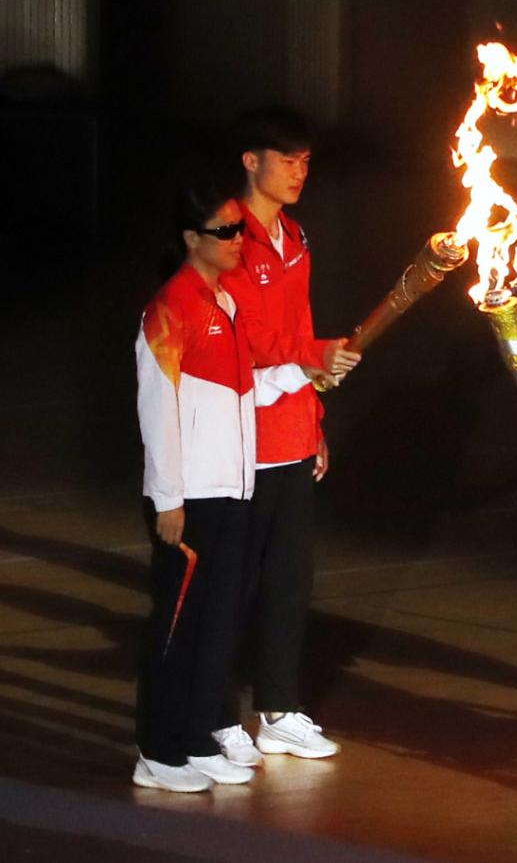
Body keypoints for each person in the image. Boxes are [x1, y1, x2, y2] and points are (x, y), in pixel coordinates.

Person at [135, 184, 312, 791]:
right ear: (192, 240)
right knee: (178, 627)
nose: (239, 241)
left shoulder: (226, 306)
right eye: (225, 232)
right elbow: (157, 411)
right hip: (191, 498)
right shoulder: (170, 309)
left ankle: (198, 737)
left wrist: (303, 371)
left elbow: (245, 396)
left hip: (234, 491)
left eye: (240, 230)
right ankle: (158, 750)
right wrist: (168, 499)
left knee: (214, 627)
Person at [215, 107, 359, 762]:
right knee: (230, 583)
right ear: (252, 161)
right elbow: (241, 334)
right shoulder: (224, 235)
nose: (300, 172)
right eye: (287, 159)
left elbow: (297, 327)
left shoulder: (296, 239)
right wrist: (314, 355)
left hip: (291, 435)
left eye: (306, 161)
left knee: (286, 582)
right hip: (235, 436)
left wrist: (315, 420)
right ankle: (215, 718)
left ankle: (278, 709)